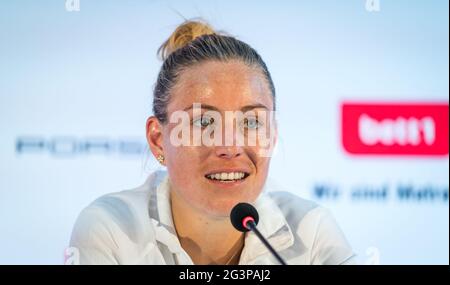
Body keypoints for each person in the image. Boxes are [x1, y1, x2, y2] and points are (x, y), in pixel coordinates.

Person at [70, 19, 356, 265]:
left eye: (251, 123)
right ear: (158, 140)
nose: (230, 147)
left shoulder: (312, 231)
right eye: (204, 122)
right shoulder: (110, 229)